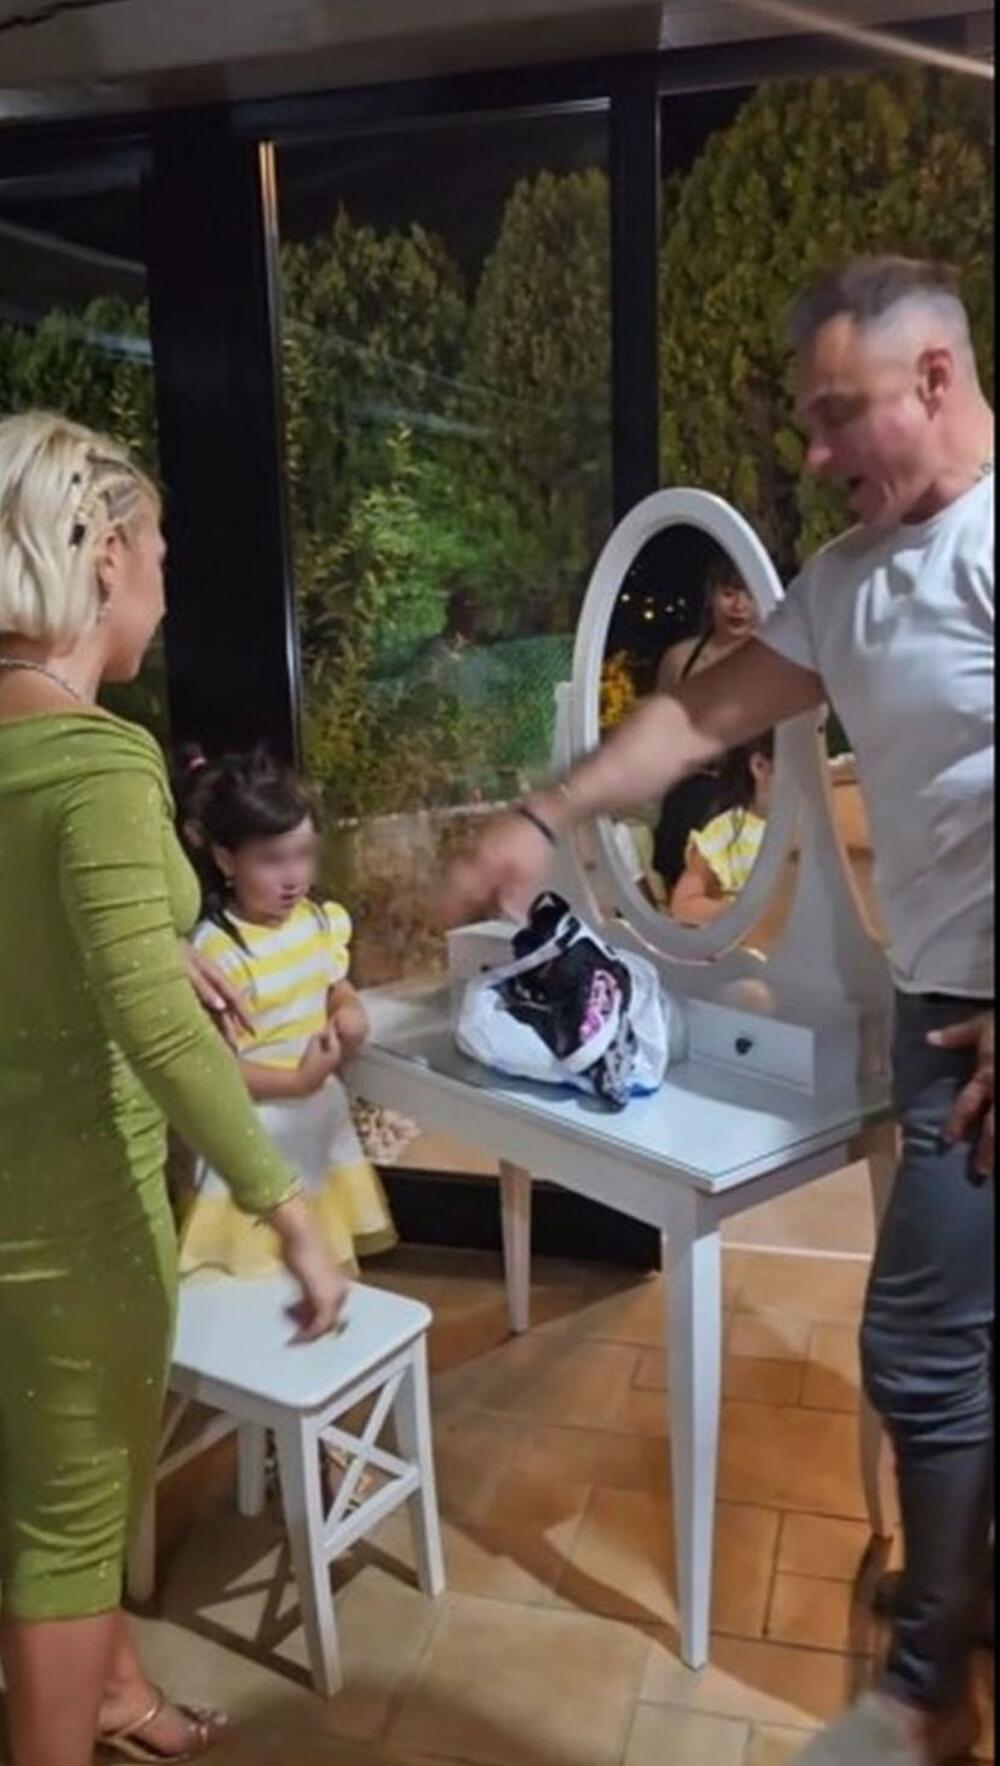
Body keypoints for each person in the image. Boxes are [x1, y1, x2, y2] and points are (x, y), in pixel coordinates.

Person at [442, 256, 994, 1766]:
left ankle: (927, 1691)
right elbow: (697, 711)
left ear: (935, 377)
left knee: (922, 1346)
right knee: (960, 1341)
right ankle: (960, 1606)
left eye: (837, 413)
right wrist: (546, 812)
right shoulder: (850, 579)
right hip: (943, 1006)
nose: (812, 452)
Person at [0, 412, 346, 1766]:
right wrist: (288, 1208)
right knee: (69, 1530)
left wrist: (145, 947)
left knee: (35, 1487)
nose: (162, 578)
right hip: (72, 1223)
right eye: (156, 551)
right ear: (97, 552)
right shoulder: (97, 757)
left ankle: (113, 1693)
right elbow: (152, 1019)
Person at [173, 746, 397, 1279]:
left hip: (316, 1120)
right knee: (254, 1274)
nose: (293, 876)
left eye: (304, 854)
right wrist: (298, 1081)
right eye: (272, 860)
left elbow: (331, 982)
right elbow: (214, 1067)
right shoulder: (216, 954)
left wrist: (347, 1008)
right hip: (255, 1133)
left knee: (324, 1253)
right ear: (226, 860)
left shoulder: (317, 921)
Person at [651, 549, 761, 892]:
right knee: (681, 895)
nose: (739, 606)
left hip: (748, 797)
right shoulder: (680, 659)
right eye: (729, 593)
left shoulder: (774, 662)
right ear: (711, 596)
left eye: (749, 594)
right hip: (689, 796)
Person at [670, 732, 774, 926]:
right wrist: (747, 911)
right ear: (759, 766)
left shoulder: (814, 823)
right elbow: (683, 906)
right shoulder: (724, 832)